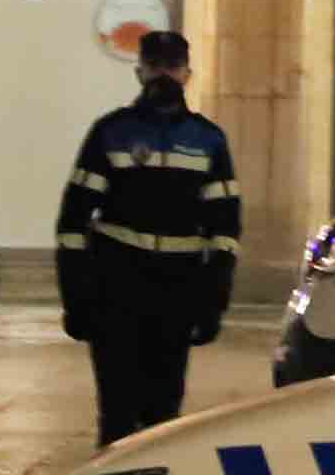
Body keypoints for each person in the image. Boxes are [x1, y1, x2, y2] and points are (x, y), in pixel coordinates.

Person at [54, 28, 238, 443]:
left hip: (177, 292)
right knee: (116, 413)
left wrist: (213, 303)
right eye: (156, 67)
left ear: (188, 73)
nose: (164, 76)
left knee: (164, 416)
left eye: (172, 67)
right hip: (116, 288)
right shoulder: (111, 132)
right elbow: (73, 221)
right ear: (139, 72)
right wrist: (77, 298)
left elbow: (225, 228)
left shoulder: (208, 140)